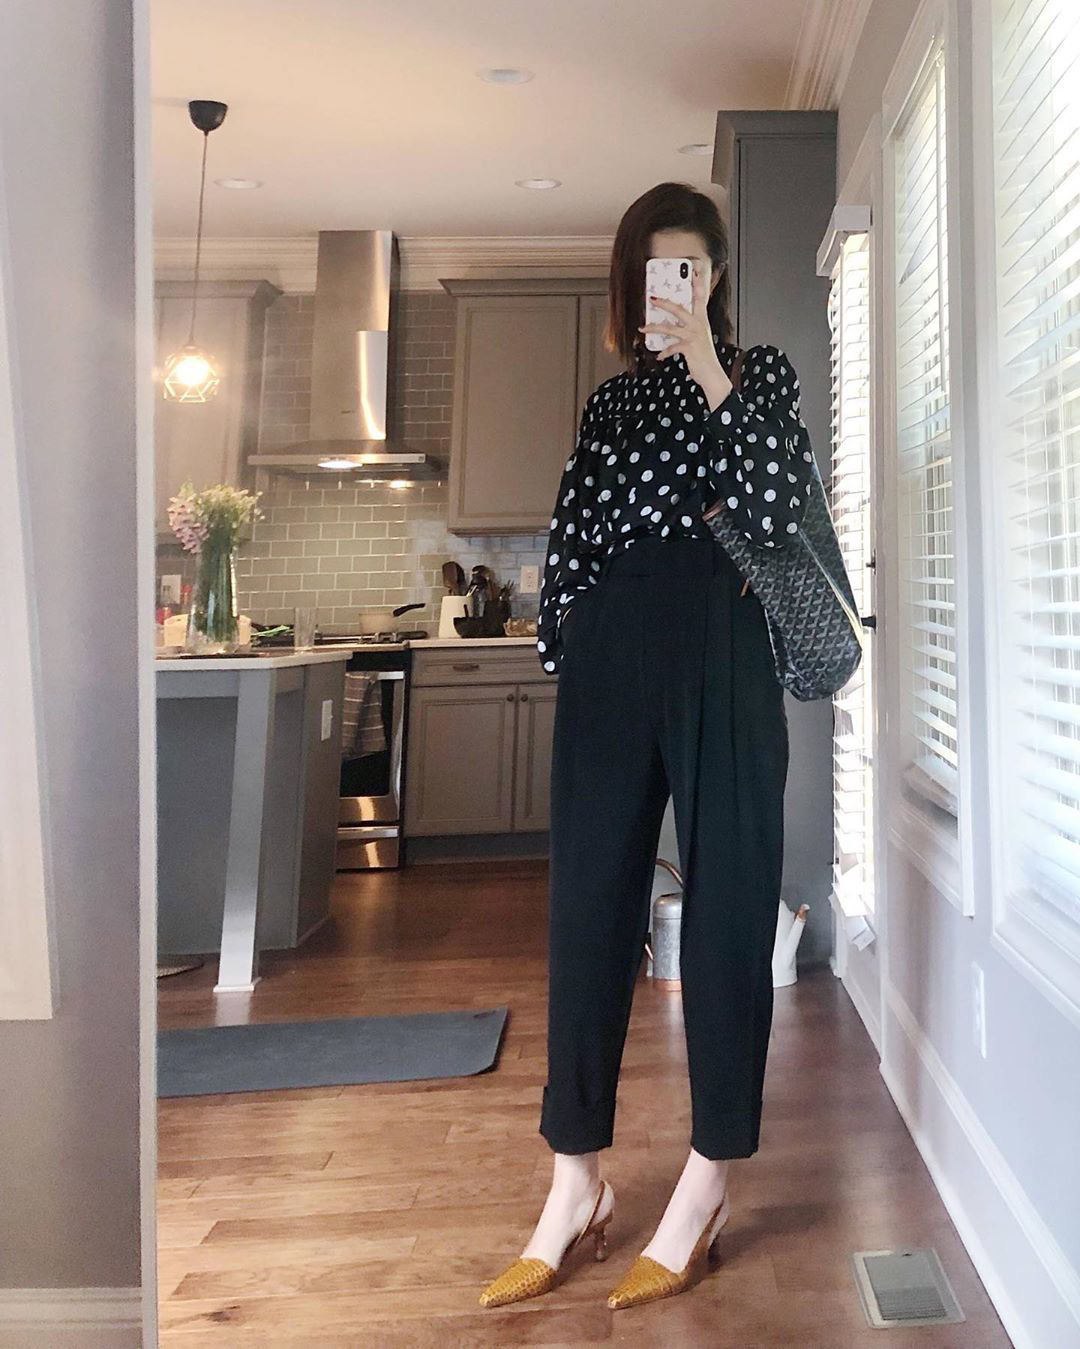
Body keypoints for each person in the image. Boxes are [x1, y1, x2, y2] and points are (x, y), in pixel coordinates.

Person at [479, 181, 816, 1312]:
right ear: (631, 286)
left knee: (729, 908)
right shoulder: (611, 404)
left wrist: (712, 365)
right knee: (588, 905)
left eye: (691, 270)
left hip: (726, 643)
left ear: (713, 281)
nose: (671, 288)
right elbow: (574, 535)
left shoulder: (759, 377)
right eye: (655, 271)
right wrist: (570, 639)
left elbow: (777, 506)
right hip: (612, 650)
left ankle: (708, 1176)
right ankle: (574, 1178)